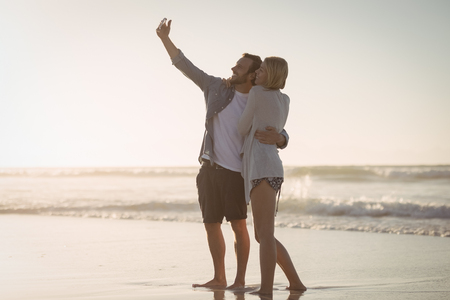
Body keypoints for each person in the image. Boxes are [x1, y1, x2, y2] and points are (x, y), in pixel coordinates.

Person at [156, 19, 289, 289]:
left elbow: (281, 127)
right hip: (209, 168)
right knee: (211, 224)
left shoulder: (261, 97)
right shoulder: (216, 88)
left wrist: (282, 138)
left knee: (239, 226)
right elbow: (185, 66)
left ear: (253, 74)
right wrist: (164, 39)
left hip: (238, 172)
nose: (233, 68)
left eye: (240, 67)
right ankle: (219, 277)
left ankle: (239, 281)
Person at [238, 57, 307, 295]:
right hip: (272, 167)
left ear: (273, 75)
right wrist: (280, 137)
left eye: (263, 69)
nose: (258, 72)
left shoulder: (257, 93)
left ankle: (266, 289)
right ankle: (295, 282)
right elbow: (277, 129)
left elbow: (241, 127)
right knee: (262, 234)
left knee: (264, 235)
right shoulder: (284, 99)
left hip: (261, 166)